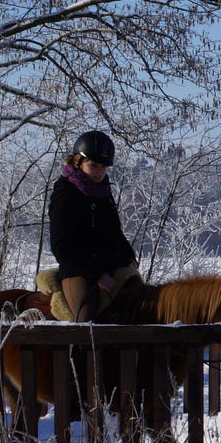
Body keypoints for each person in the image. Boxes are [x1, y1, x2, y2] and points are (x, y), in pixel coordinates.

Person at [47, 130, 140, 322]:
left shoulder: (104, 193)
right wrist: (96, 275)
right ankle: (78, 352)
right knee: (86, 323)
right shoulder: (65, 195)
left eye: (104, 167)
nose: (99, 171)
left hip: (110, 268)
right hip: (79, 272)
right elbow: (61, 245)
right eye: (93, 165)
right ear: (77, 163)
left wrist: (129, 257)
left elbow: (115, 233)